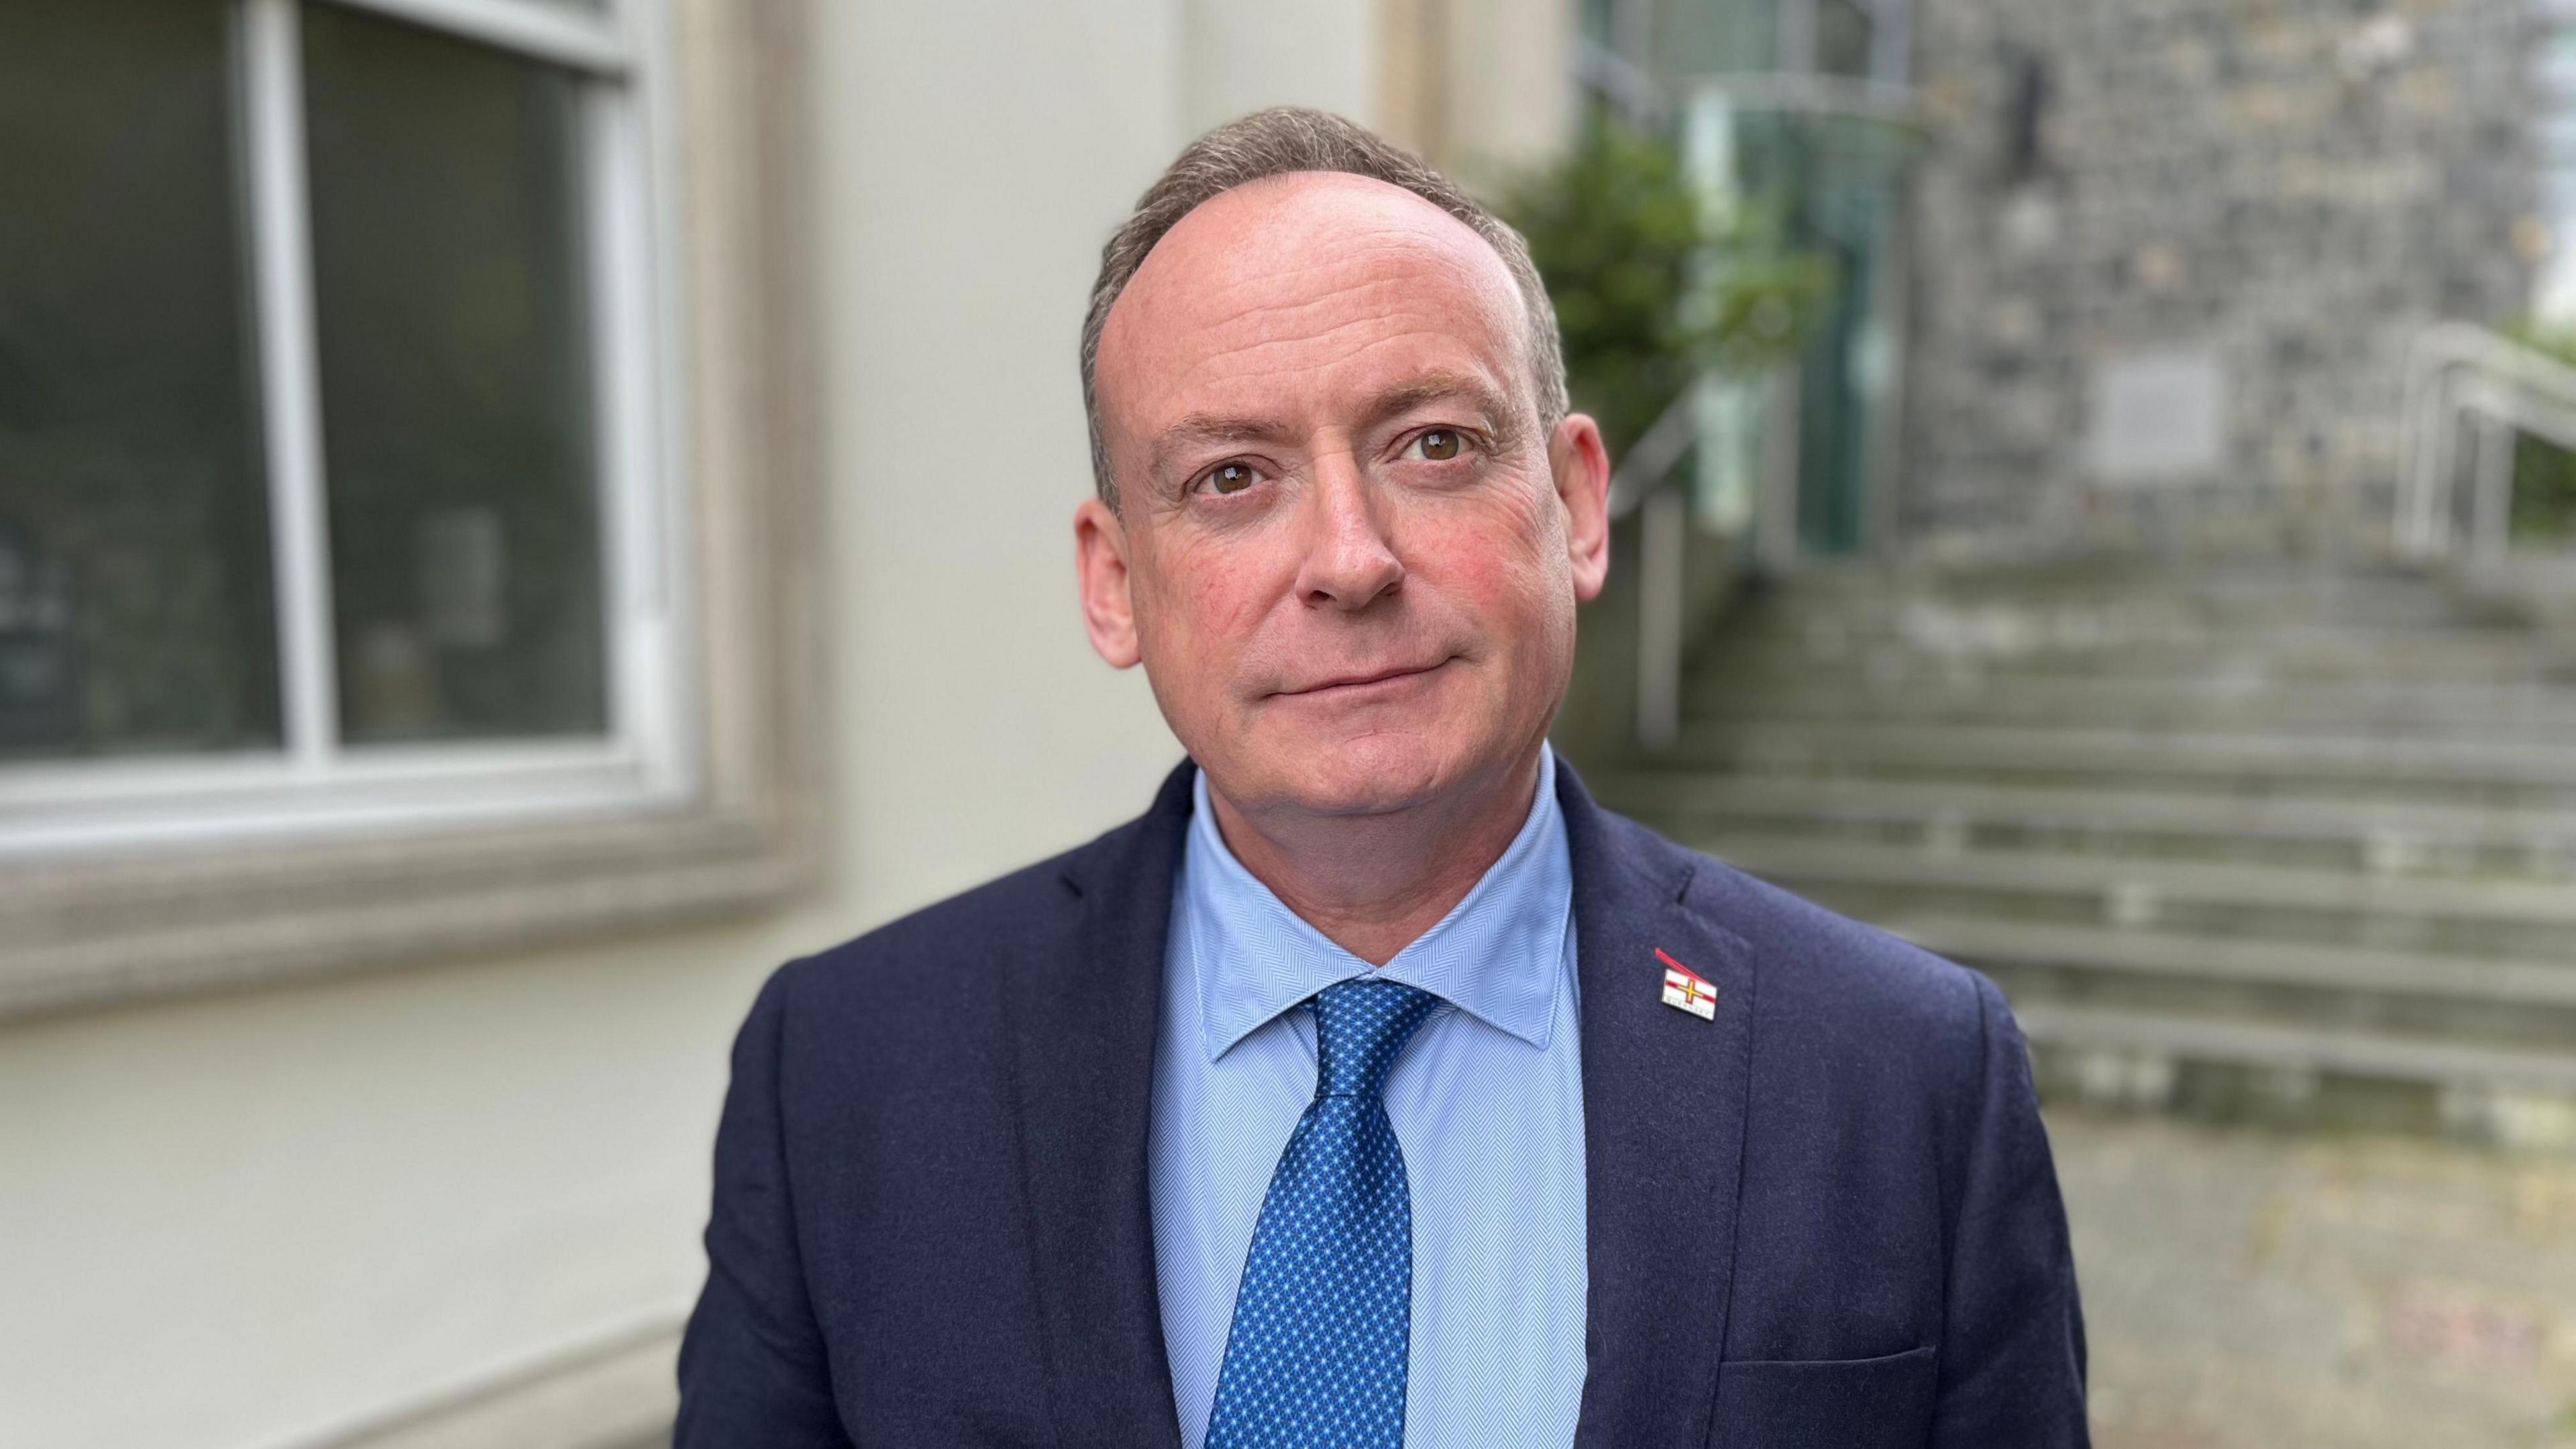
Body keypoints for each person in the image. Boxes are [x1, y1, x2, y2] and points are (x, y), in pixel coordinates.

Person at [675, 107, 2087, 1448]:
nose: (1349, 560)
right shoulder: (849, 1075)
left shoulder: (1906, 1078)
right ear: (1117, 586)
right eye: (1232, 476)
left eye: (1432, 445)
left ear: (1577, 504)